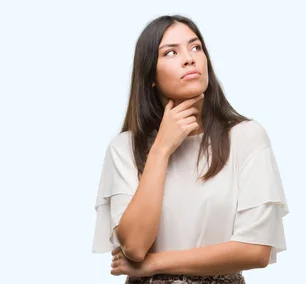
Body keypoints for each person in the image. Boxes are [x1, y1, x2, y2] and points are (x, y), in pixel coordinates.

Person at [92, 14, 289, 284]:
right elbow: (135, 246)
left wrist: (154, 264)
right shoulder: (124, 148)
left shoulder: (246, 137)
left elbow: (256, 250)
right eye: (171, 52)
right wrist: (161, 149)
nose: (189, 58)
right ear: (150, 75)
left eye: (195, 47)